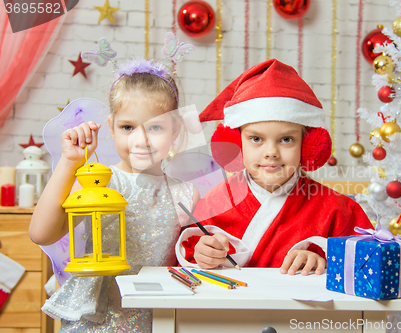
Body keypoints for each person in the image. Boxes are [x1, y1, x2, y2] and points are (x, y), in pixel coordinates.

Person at [29, 38, 199, 332]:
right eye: (128, 127)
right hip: (100, 319)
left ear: (176, 130)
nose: (141, 139)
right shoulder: (99, 182)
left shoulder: (184, 194)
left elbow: (192, 262)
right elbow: (41, 233)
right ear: (111, 128)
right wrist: (70, 163)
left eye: (156, 127)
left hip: (154, 319)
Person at [175, 59, 374, 276]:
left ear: (308, 145)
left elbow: (367, 263)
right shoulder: (217, 201)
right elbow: (191, 249)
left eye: (286, 139)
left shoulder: (337, 210)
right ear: (236, 143)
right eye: (256, 139)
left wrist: (325, 260)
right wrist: (202, 252)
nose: (271, 152)